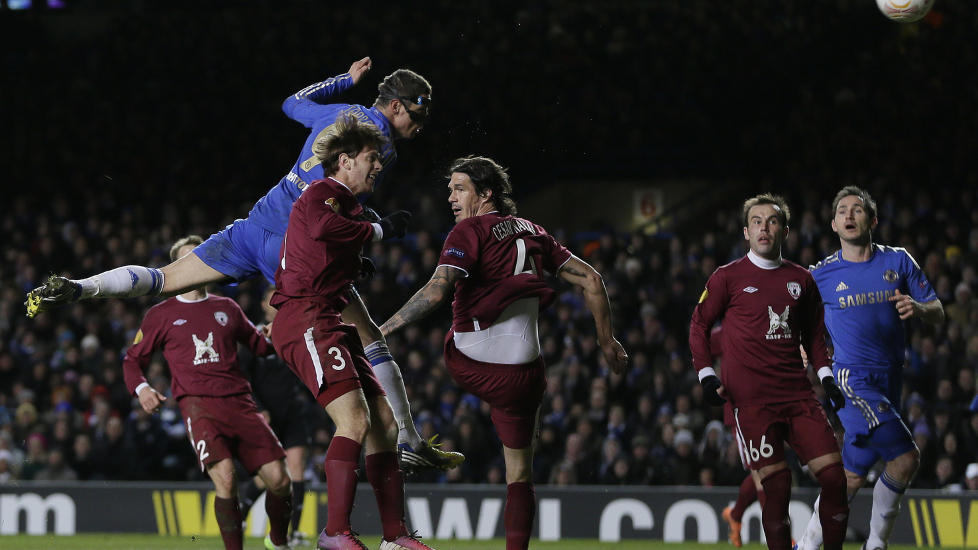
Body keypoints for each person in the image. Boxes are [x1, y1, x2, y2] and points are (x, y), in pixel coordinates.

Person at [25, 56, 462, 473]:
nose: (418, 128)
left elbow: (291, 102)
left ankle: (79, 287)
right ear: (398, 105)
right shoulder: (378, 145)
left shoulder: (341, 110)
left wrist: (345, 80)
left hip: (253, 227)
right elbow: (336, 210)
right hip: (295, 246)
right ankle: (406, 439)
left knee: (165, 278)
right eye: (417, 118)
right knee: (368, 335)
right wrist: (371, 237)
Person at [379, 156, 629, 550]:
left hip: (470, 362)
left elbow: (436, 291)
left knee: (430, 343)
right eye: (449, 189)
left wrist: (384, 330)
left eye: (459, 188)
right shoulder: (536, 232)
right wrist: (606, 342)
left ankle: (408, 437)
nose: (450, 197)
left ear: (486, 193)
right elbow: (593, 280)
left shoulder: (468, 232)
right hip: (525, 377)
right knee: (520, 476)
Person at [269, 115, 433, 550]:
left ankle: (395, 537)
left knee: (382, 421)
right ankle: (334, 532)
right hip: (305, 318)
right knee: (355, 420)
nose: (378, 166)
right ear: (343, 161)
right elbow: (322, 228)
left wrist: (353, 259)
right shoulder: (324, 191)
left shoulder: (344, 203)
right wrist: (376, 231)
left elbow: (317, 244)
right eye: (371, 158)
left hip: (328, 318)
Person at [688, 193, 849, 550]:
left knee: (836, 478)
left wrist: (825, 377)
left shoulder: (802, 280)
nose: (764, 227)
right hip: (752, 405)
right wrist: (706, 375)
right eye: (757, 221)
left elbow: (815, 338)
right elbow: (699, 325)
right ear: (746, 232)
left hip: (797, 397)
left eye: (772, 221)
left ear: (785, 231)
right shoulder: (726, 278)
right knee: (777, 490)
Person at [795, 186, 945, 550]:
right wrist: (800, 347)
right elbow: (795, 317)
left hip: (890, 379)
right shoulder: (822, 275)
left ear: (872, 220)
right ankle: (876, 545)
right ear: (833, 224)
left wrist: (919, 308)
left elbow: (938, 311)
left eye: (857, 209)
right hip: (851, 380)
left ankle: (805, 547)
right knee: (907, 458)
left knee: (849, 478)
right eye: (842, 211)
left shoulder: (898, 261)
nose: (849, 215)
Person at [122, 235, 293, 550]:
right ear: (177, 269)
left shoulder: (226, 307)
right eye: (188, 260)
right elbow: (132, 362)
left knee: (281, 481)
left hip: (241, 403)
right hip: (199, 406)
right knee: (226, 479)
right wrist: (143, 389)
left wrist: (272, 334)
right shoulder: (160, 314)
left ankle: (278, 541)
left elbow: (259, 346)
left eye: (201, 258)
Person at [238, 287, 328, 547]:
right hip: (266, 413)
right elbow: (243, 376)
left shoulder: (295, 334)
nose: (277, 303)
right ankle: (242, 514)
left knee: (297, 467)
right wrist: (256, 406)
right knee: (272, 475)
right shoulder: (252, 337)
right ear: (264, 305)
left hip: (292, 411)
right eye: (272, 299)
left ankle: (294, 532)